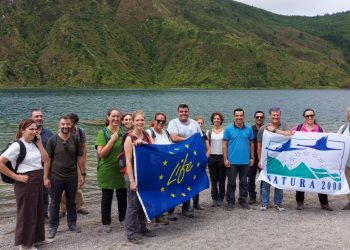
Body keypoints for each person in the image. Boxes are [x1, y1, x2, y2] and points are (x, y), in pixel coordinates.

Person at [0, 119, 49, 250]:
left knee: (37, 211)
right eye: (31, 129)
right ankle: (25, 245)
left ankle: (37, 239)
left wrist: (39, 144)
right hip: (25, 183)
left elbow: (46, 160)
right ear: (22, 130)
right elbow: (0, 162)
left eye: (35, 129)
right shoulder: (17, 145)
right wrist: (16, 176)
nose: (34, 131)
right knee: (27, 214)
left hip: (37, 181)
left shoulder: (34, 144)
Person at [44, 116, 85, 239]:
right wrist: (45, 177)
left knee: (71, 201)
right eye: (63, 124)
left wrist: (83, 173)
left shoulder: (75, 140)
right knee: (54, 203)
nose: (65, 126)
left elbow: (79, 157)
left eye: (67, 124)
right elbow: (47, 160)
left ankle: (72, 224)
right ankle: (53, 226)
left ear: (71, 125)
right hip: (56, 177)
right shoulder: (53, 140)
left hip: (72, 176)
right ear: (59, 125)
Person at [291, 108, 333, 211]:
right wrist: (275, 131)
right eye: (307, 116)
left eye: (312, 115)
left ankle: (324, 203)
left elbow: (326, 143)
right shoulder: (298, 128)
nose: (310, 117)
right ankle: (300, 203)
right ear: (304, 117)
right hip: (302, 158)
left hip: (316, 159)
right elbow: (289, 137)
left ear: (314, 116)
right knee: (301, 180)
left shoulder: (320, 129)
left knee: (320, 179)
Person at [124, 111, 156, 244]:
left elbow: (154, 149)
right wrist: (131, 181)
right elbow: (127, 161)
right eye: (137, 120)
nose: (140, 122)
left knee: (143, 203)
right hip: (133, 175)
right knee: (133, 205)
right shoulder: (129, 138)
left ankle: (142, 227)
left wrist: (143, 143)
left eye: (142, 120)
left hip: (145, 174)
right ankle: (131, 233)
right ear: (133, 122)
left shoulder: (147, 135)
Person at [95, 108, 127, 233]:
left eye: (118, 116)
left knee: (122, 196)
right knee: (107, 197)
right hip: (107, 170)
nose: (115, 119)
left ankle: (123, 219)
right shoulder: (102, 133)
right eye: (113, 116)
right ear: (108, 117)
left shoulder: (124, 132)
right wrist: (112, 140)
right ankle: (106, 222)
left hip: (121, 169)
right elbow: (101, 154)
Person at [167, 103, 202, 218]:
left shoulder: (194, 123)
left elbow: (199, 138)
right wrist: (189, 140)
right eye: (181, 111)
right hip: (176, 158)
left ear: (188, 112)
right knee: (174, 183)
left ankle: (186, 208)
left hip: (190, 158)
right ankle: (171, 211)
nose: (183, 113)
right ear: (178, 112)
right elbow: (174, 138)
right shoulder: (173, 123)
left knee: (187, 183)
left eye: (185, 111)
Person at [257, 107, 292, 211]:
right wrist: (260, 160)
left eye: (277, 115)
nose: (276, 117)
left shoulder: (284, 126)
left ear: (280, 115)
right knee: (266, 182)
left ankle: (278, 203)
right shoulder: (263, 128)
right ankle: (264, 203)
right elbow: (259, 145)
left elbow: (290, 134)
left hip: (281, 159)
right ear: (270, 116)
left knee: (279, 182)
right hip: (267, 159)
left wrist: (275, 130)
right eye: (273, 115)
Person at [146, 112, 176, 223]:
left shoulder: (165, 132)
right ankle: (155, 215)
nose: (161, 123)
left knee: (165, 191)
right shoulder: (149, 132)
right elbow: (153, 148)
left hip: (166, 167)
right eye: (158, 120)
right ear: (154, 120)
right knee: (156, 191)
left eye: (163, 121)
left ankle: (163, 213)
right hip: (154, 168)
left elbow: (171, 146)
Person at [223, 108, 254, 211]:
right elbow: (225, 145)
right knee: (231, 182)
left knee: (244, 182)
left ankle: (243, 201)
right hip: (232, 161)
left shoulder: (248, 129)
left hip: (245, 161)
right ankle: (230, 202)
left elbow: (251, 144)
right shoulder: (228, 129)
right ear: (234, 116)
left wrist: (252, 157)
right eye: (237, 115)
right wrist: (225, 159)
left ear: (243, 116)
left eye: (241, 115)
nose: (239, 117)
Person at [59, 113, 89, 218]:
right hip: (65, 162)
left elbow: (84, 147)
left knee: (78, 185)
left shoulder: (80, 131)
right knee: (64, 186)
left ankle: (78, 206)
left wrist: (84, 164)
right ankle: (62, 209)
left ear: (75, 123)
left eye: (70, 123)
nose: (67, 125)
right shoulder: (61, 132)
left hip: (78, 161)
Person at [30, 109, 53, 221]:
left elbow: (53, 151)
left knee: (45, 194)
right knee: (30, 194)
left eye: (41, 116)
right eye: (36, 116)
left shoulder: (48, 133)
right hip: (30, 169)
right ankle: (32, 215)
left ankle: (44, 215)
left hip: (45, 168)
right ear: (31, 118)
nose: (39, 118)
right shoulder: (26, 133)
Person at [207, 112, 226, 207]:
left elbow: (227, 145)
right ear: (212, 120)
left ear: (221, 120)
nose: (216, 120)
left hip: (222, 157)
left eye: (218, 118)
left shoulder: (225, 131)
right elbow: (207, 146)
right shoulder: (209, 132)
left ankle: (221, 197)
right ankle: (214, 197)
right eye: (215, 118)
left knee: (222, 179)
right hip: (212, 157)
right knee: (213, 179)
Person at [247, 111, 265, 204]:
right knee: (251, 178)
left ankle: (263, 196)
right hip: (252, 157)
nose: (259, 118)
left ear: (263, 118)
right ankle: (252, 197)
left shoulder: (267, 129)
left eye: (261, 117)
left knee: (263, 178)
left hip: (263, 157)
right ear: (254, 118)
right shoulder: (250, 129)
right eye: (257, 117)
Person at [193, 116, 210, 210]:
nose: (199, 124)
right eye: (197, 123)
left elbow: (208, 149)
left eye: (201, 123)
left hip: (201, 162)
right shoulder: (191, 134)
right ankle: (187, 206)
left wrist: (204, 159)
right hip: (191, 162)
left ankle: (196, 203)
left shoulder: (204, 134)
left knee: (198, 182)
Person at [337, 107, 350, 210]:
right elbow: (336, 141)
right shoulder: (343, 128)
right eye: (348, 115)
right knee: (348, 182)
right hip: (347, 162)